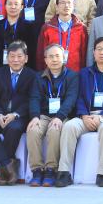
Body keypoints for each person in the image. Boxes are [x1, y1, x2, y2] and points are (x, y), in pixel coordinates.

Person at [55, 37, 103, 187]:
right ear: (93, 52)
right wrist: (83, 115)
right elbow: (78, 96)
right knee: (69, 126)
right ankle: (64, 172)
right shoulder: (84, 73)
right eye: (98, 49)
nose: (102, 53)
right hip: (87, 114)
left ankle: (102, 174)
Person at [0, 40, 36, 186]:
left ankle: (4, 167)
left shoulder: (32, 75)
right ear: (7, 57)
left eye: (19, 56)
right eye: (12, 56)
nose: (15, 60)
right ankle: (7, 163)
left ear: (26, 58)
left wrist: (15, 114)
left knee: (14, 128)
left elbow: (31, 99)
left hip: (19, 116)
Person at [26, 44, 79, 187]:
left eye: (57, 56)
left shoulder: (72, 76)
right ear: (45, 60)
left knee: (54, 130)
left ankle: (51, 170)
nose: (54, 59)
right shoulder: (38, 77)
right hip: (43, 115)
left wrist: (59, 117)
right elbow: (34, 98)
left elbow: (71, 99)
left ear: (64, 58)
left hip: (63, 116)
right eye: (50, 56)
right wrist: (35, 116)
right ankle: (37, 170)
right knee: (32, 130)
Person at [37, 0, 88, 72]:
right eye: (62, 3)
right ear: (57, 6)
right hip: (52, 73)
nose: (66, 6)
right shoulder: (47, 28)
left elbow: (84, 53)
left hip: (75, 73)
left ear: (73, 6)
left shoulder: (81, 28)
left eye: (69, 3)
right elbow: (41, 53)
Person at [0, 0, 38, 68]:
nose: (13, 7)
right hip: (0, 66)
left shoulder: (29, 26)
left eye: (16, 4)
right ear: (5, 6)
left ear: (21, 7)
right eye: (10, 4)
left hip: (21, 66)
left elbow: (31, 51)